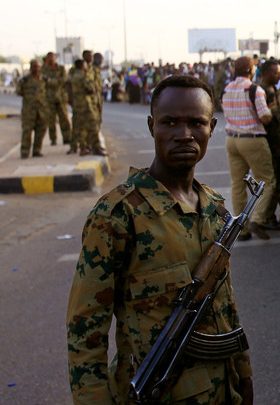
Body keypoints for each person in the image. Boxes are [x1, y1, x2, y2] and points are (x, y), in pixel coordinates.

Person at [66, 75, 253, 404]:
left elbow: (224, 304)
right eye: (170, 122)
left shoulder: (214, 208)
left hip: (224, 391)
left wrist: (244, 374)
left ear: (212, 127)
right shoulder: (117, 215)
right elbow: (85, 332)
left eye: (196, 123)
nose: (184, 134)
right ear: (152, 126)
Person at [222, 56, 274, 240]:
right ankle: (257, 219)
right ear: (251, 70)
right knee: (266, 180)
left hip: (232, 139)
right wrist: (272, 110)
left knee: (237, 184)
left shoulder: (226, 89)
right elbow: (265, 117)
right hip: (252, 139)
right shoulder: (254, 90)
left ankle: (241, 230)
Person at [260, 60, 280, 231]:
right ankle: (271, 217)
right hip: (274, 143)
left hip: (275, 142)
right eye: (276, 73)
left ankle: (276, 217)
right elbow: (278, 118)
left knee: (278, 181)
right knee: (279, 182)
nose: (279, 75)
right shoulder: (266, 91)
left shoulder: (270, 89)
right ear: (266, 73)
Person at [16, 59, 48, 159]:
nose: (36, 69)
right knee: (27, 131)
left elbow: (48, 91)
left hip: (41, 110)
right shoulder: (25, 80)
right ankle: (25, 152)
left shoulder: (44, 79)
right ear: (31, 67)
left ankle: (37, 150)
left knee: (41, 130)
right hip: (29, 111)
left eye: (38, 67)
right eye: (34, 66)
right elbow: (18, 92)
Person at [42, 52, 71, 146]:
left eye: (52, 57)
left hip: (61, 98)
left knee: (64, 119)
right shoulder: (43, 69)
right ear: (46, 59)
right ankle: (53, 139)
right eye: (49, 58)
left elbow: (64, 80)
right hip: (49, 99)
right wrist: (54, 82)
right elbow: (42, 81)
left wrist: (50, 81)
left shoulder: (61, 68)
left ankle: (67, 138)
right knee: (51, 120)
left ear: (55, 58)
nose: (51, 59)